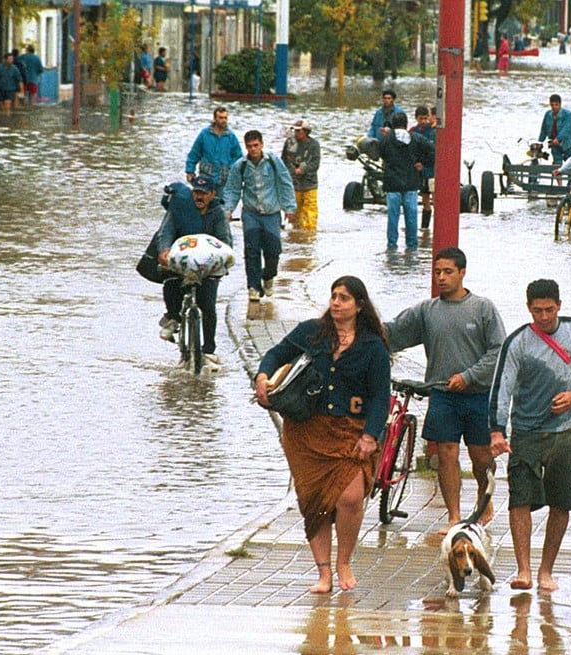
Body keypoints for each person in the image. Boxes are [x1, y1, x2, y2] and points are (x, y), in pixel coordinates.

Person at [254, 275, 391, 594]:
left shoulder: (373, 346)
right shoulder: (310, 332)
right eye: (333, 296)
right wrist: (263, 375)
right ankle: (324, 573)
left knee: (351, 495)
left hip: (350, 430)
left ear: (359, 305)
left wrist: (371, 435)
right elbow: (276, 354)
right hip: (306, 431)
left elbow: (380, 397)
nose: (336, 302)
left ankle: (344, 561)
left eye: (344, 297)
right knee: (313, 500)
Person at [488, 279, 571, 592]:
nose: (543, 316)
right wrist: (497, 431)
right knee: (520, 498)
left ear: (559, 306)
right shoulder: (518, 343)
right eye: (537, 311)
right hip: (526, 430)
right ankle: (523, 569)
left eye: (549, 310)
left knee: (562, 500)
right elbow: (502, 388)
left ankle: (546, 571)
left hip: (566, 431)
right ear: (528, 308)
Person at [384, 247, 506, 534]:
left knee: (480, 457)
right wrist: (358, 328)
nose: (441, 277)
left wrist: (468, 376)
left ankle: (483, 500)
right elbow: (394, 333)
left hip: (478, 395)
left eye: (448, 272)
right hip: (441, 393)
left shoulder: (483, 308)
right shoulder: (427, 311)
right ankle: (454, 516)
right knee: (446, 454)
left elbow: (498, 350)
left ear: (462, 273)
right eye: (437, 272)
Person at [155, 175, 232, 367]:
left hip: (208, 268)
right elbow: (166, 231)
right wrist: (164, 251)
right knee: (171, 284)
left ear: (212, 194)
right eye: (196, 192)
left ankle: (209, 350)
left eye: (204, 194)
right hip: (181, 264)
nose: (200, 197)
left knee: (208, 305)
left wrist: (220, 260)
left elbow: (226, 241)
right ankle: (173, 317)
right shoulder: (180, 207)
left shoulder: (218, 213)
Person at [223, 130, 297, 301]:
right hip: (251, 213)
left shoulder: (273, 162)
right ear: (246, 147)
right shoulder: (240, 165)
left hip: (271, 213)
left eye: (256, 145)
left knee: (273, 251)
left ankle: (268, 276)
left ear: (262, 144)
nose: (253, 149)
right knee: (252, 251)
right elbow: (232, 189)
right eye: (249, 146)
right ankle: (253, 287)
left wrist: (289, 208)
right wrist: (227, 210)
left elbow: (285, 183)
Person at [377, 113, 435, 250]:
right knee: (411, 217)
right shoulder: (415, 138)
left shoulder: (386, 140)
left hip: (392, 184)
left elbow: (379, 153)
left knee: (393, 218)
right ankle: (412, 247)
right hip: (411, 183)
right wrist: (423, 163)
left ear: (392, 124)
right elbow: (432, 150)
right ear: (406, 123)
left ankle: (391, 246)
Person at [185, 107, 243, 188]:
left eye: (225, 118)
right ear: (215, 118)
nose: (224, 120)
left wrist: (230, 169)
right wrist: (190, 171)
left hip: (224, 180)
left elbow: (238, 157)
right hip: (206, 178)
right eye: (221, 118)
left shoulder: (231, 136)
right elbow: (194, 153)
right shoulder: (204, 134)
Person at [281, 118, 321, 231]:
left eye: (299, 131)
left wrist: (303, 170)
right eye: (295, 131)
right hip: (293, 184)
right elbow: (283, 161)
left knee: (310, 216)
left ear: (306, 131)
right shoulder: (289, 143)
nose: (296, 133)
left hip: (310, 185)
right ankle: (296, 238)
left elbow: (315, 164)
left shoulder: (314, 145)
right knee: (294, 215)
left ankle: (309, 236)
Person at [410, 106, 438, 228]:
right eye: (421, 118)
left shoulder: (432, 131)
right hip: (418, 169)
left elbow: (433, 151)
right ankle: (424, 228)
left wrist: (424, 164)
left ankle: (438, 226)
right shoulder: (412, 131)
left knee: (435, 197)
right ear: (416, 118)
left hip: (430, 169)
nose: (423, 121)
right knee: (425, 199)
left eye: (425, 118)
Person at [537, 94, 571, 166]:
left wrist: (558, 139)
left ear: (560, 104)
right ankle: (558, 177)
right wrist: (540, 141)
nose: (554, 107)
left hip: (567, 144)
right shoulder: (548, 114)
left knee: (570, 166)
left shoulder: (568, 114)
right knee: (556, 165)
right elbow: (544, 129)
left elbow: (566, 128)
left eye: (556, 105)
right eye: (552, 105)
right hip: (554, 144)